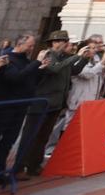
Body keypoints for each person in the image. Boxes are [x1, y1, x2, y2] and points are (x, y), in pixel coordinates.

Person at [18, 31, 88, 178]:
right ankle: (19, 166)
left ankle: (34, 165)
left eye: (65, 41)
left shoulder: (65, 58)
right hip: (41, 103)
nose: (65, 44)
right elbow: (55, 69)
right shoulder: (48, 55)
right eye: (62, 41)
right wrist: (77, 56)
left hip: (55, 103)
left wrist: (84, 59)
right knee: (31, 136)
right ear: (54, 43)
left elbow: (73, 71)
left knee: (44, 136)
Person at [0, 34, 40, 187]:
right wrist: (36, 64)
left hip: (20, 107)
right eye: (30, 45)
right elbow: (15, 78)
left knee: (8, 142)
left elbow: (29, 79)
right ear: (21, 43)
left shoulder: (26, 60)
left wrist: (39, 68)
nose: (32, 48)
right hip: (4, 107)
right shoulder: (7, 58)